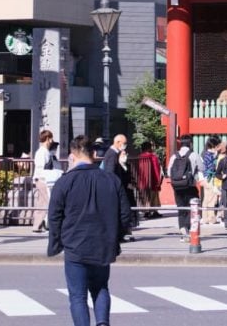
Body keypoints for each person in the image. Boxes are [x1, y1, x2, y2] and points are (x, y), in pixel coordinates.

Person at [47, 135, 131, 326]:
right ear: (94, 154)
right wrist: (116, 239)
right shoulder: (111, 180)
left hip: (75, 245)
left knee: (77, 296)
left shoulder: (65, 182)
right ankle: (102, 323)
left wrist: (56, 243)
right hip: (103, 243)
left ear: (72, 156)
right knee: (101, 287)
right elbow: (125, 214)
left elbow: (54, 216)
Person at [167, 135, 204, 242]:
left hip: (177, 187)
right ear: (190, 143)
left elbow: (169, 172)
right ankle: (190, 231)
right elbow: (202, 168)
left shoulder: (174, 156)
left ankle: (183, 230)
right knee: (191, 208)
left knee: (181, 208)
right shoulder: (194, 155)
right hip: (190, 186)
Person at [100, 134, 137, 238]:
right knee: (120, 211)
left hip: (117, 187)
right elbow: (110, 172)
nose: (125, 145)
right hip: (115, 188)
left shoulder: (116, 154)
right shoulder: (112, 154)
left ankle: (122, 233)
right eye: (124, 143)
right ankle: (120, 234)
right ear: (118, 143)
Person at [32, 129, 56, 233]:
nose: (52, 140)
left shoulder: (44, 152)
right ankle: (44, 225)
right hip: (43, 180)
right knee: (47, 202)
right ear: (47, 139)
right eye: (51, 138)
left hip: (42, 179)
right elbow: (41, 167)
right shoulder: (42, 152)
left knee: (42, 203)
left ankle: (37, 226)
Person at [133, 141, 162, 219]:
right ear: (149, 148)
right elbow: (156, 169)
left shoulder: (139, 157)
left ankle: (146, 211)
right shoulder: (153, 157)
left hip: (142, 181)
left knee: (145, 196)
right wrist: (158, 180)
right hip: (152, 180)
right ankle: (154, 211)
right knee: (154, 196)